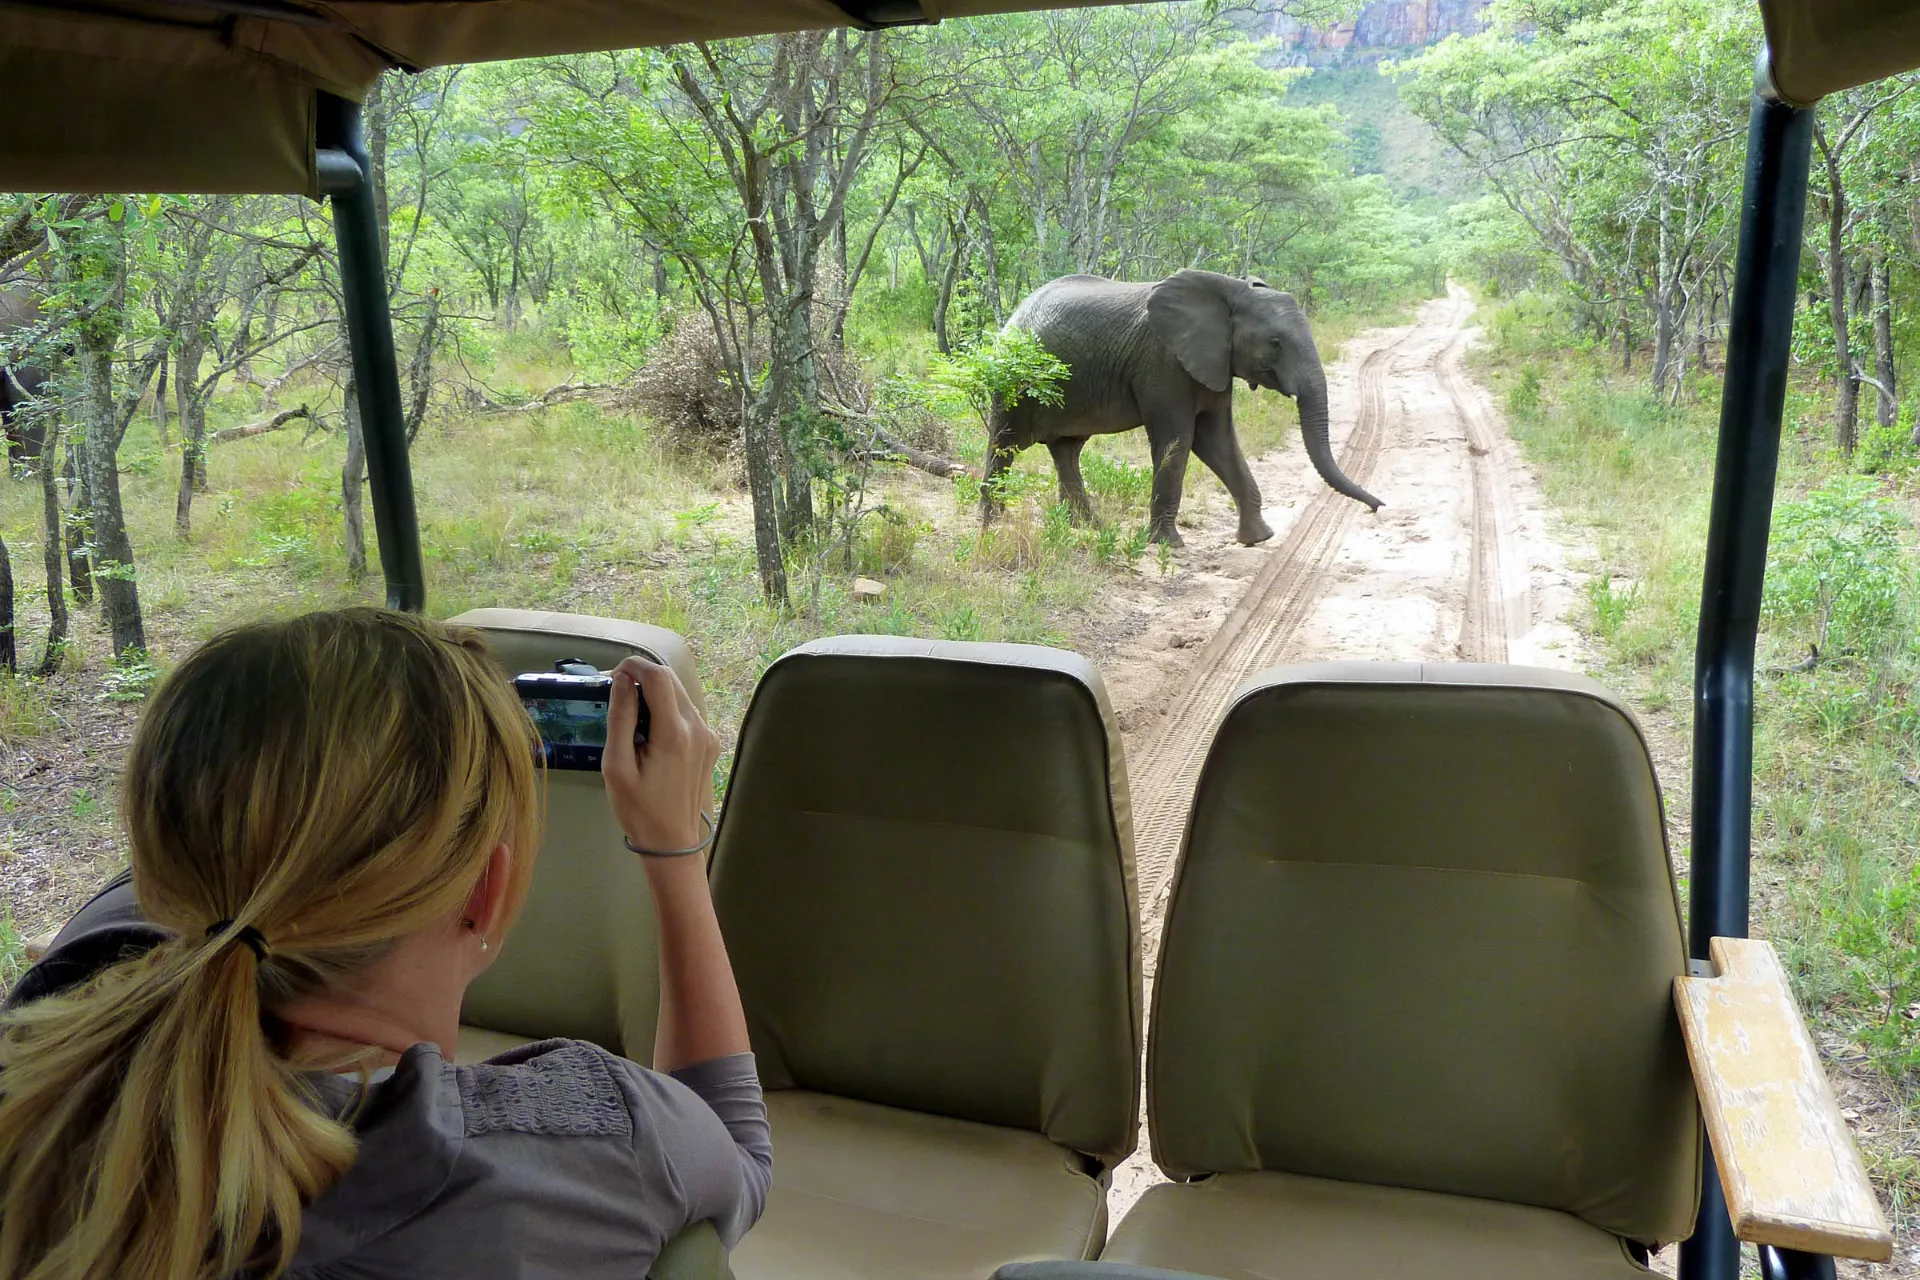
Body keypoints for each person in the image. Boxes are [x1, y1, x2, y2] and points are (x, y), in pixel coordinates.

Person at [0, 608, 769, 1279]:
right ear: (484, 894)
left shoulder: (40, 1057)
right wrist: (674, 851)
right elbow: (736, 1151)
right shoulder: (583, 1147)